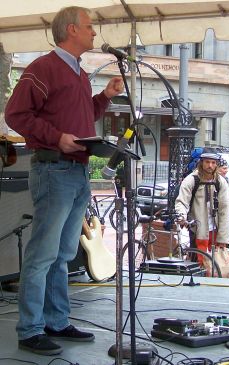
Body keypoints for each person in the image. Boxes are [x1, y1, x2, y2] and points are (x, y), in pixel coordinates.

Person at [5, 6, 124, 356]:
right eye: (89, 27)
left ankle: (57, 320)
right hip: (55, 169)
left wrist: (104, 98)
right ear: (71, 29)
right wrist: (56, 138)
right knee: (43, 254)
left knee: (63, 254)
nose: (94, 33)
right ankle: (30, 328)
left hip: (76, 171)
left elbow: (81, 116)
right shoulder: (43, 68)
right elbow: (15, 114)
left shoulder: (78, 73)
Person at [175, 153, 229, 265]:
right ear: (201, 162)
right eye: (207, 162)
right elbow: (182, 201)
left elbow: (224, 209)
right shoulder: (191, 179)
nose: (210, 165)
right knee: (199, 262)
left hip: (215, 229)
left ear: (216, 165)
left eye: (213, 163)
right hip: (198, 228)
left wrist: (223, 237)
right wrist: (181, 216)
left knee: (215, 264)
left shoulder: (220, 182)